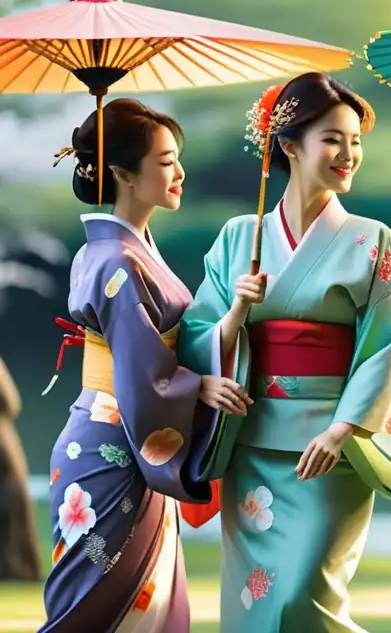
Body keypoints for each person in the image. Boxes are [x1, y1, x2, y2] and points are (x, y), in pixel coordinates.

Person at [178, 72, 391, 632]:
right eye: (333, 139)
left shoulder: (373, 239)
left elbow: (388, 344)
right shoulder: (240, 237)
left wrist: (344, 429)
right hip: (252, 441)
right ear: (289, 145)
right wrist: (237, 314)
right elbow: (196, 331)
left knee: (304, 595)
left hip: (330, 449)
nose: (349, 154)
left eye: (355, 141)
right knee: (257, 604)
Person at [39, 98, 250, 633]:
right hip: (112, 441)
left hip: (125, 434)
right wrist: (198, 385)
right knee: (92, 605)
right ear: (122, 174)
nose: (179, 173)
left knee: (141, 601)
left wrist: (238, 312)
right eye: (165, 161)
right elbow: (144, 368)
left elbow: (160, 352)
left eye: (178, 159)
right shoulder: (114, 259)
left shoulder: (126, 251)